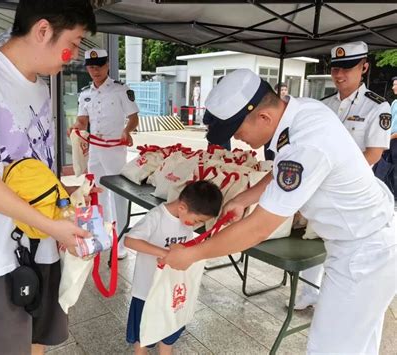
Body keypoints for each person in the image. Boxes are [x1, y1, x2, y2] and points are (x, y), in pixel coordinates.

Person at [160, 69, 396, 354]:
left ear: (263, 117)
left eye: (238, 131)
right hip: (363, 238)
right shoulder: (301, 112)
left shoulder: (306, 143)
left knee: (331, 348)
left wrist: (193, 254)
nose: (238, 139)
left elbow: (259, 228)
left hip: (364, 252)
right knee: (356, 342)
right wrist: (244, 198)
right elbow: (281, 169)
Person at [0, 1, 96, 354]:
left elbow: (35, 167)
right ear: (43, 31)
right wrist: (51, 224)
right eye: (73, 42)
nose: (72, 56)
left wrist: (64, 202)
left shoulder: (41, 87)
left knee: (36, 341)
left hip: (41, 247)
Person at [295, 41, 392, 310]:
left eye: (348, 68)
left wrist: (337, 177)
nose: (339, 74)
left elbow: (374, 153)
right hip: (321, 189)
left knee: (345, 250)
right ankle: (309, 291)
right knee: (317, 238)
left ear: (364, 67)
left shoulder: (377, 107)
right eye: (336, 68)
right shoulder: (323, 105)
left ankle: (337, 300)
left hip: (355, 194)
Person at [124, 180, 223, 355]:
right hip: (147, 292)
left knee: (169, 333)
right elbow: (130, 240)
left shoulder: (184, 218)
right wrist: (165, 253)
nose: (195, 225)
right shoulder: (156, 217)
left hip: (171, 291)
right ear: (183, 207)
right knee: (143, 338)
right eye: (197, 220)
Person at [69, 48, 139, 259]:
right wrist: (75, 126)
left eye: (99, 66)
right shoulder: (85, 93)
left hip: (115, 149)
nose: (95, 70)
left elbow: (134, 116)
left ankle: (121, 242)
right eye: (91, 67)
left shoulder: (120, 90)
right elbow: (83, 120)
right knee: (96, 191)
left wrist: (127, 130)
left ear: (107, 65)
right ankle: (102, 235)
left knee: (119, 194)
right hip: (95, 149)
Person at [204, 76, 231, 150]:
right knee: (226, 158)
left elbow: (206, 119)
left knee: (212, 157)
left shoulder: (213, 97)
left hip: (214, 132)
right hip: (226, 132)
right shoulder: (231, 98)